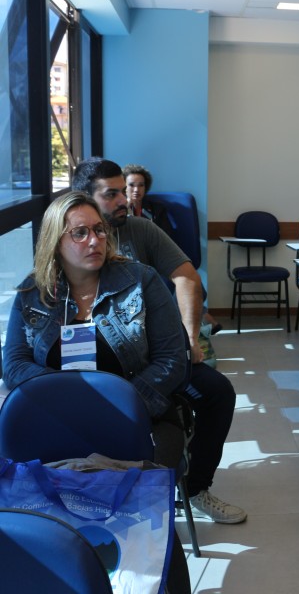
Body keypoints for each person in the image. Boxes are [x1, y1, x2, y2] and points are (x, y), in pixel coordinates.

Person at [1, 191, 191, 592]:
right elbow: (14, 365)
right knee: (32, 508)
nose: (94, 241)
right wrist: (67, 409)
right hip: (55, 428)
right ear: (56, 241)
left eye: (99, 231)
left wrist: (116, 408)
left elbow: (174, 360)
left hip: (142, 419)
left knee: (145, 516)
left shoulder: (142, 281)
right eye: (80, 233)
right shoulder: (32, 294)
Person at [72, 157, 246, 524]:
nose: (124, 200)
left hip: (156, 363)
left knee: (218, 392)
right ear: (84, 199)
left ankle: (196, 487)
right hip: (94, 370)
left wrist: (188, 337)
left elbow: (187, 278)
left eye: (125, 191)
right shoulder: (68, 244)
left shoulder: (140, 230)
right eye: (112, 194)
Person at [122, 162, 222, 335]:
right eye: (131, 185)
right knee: (173, 283)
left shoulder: (155, 210)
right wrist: (127, 209)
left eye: (141, 185)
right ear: (123, 187)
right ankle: (204, 317)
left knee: (186, 279)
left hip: (157, 260)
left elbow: (165, 237)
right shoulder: (120, 213)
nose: (136, 190)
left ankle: (192, 327)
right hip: (134, 263)